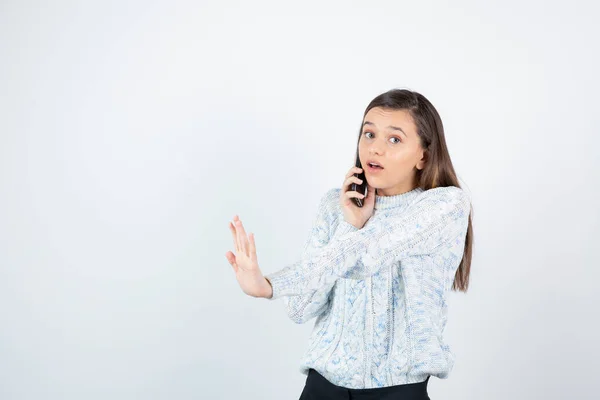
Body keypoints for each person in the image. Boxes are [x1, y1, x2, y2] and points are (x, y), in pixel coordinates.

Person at [225, 88, 474, 400]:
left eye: (394, 139)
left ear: (423, 154)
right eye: (369, 134)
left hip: (397, 392)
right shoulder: (335, 205)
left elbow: (369, 253)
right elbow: (301, 307)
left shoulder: (444, 206)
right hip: (322, 388)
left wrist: (270, 285)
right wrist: (349, 223)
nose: (375, 149)